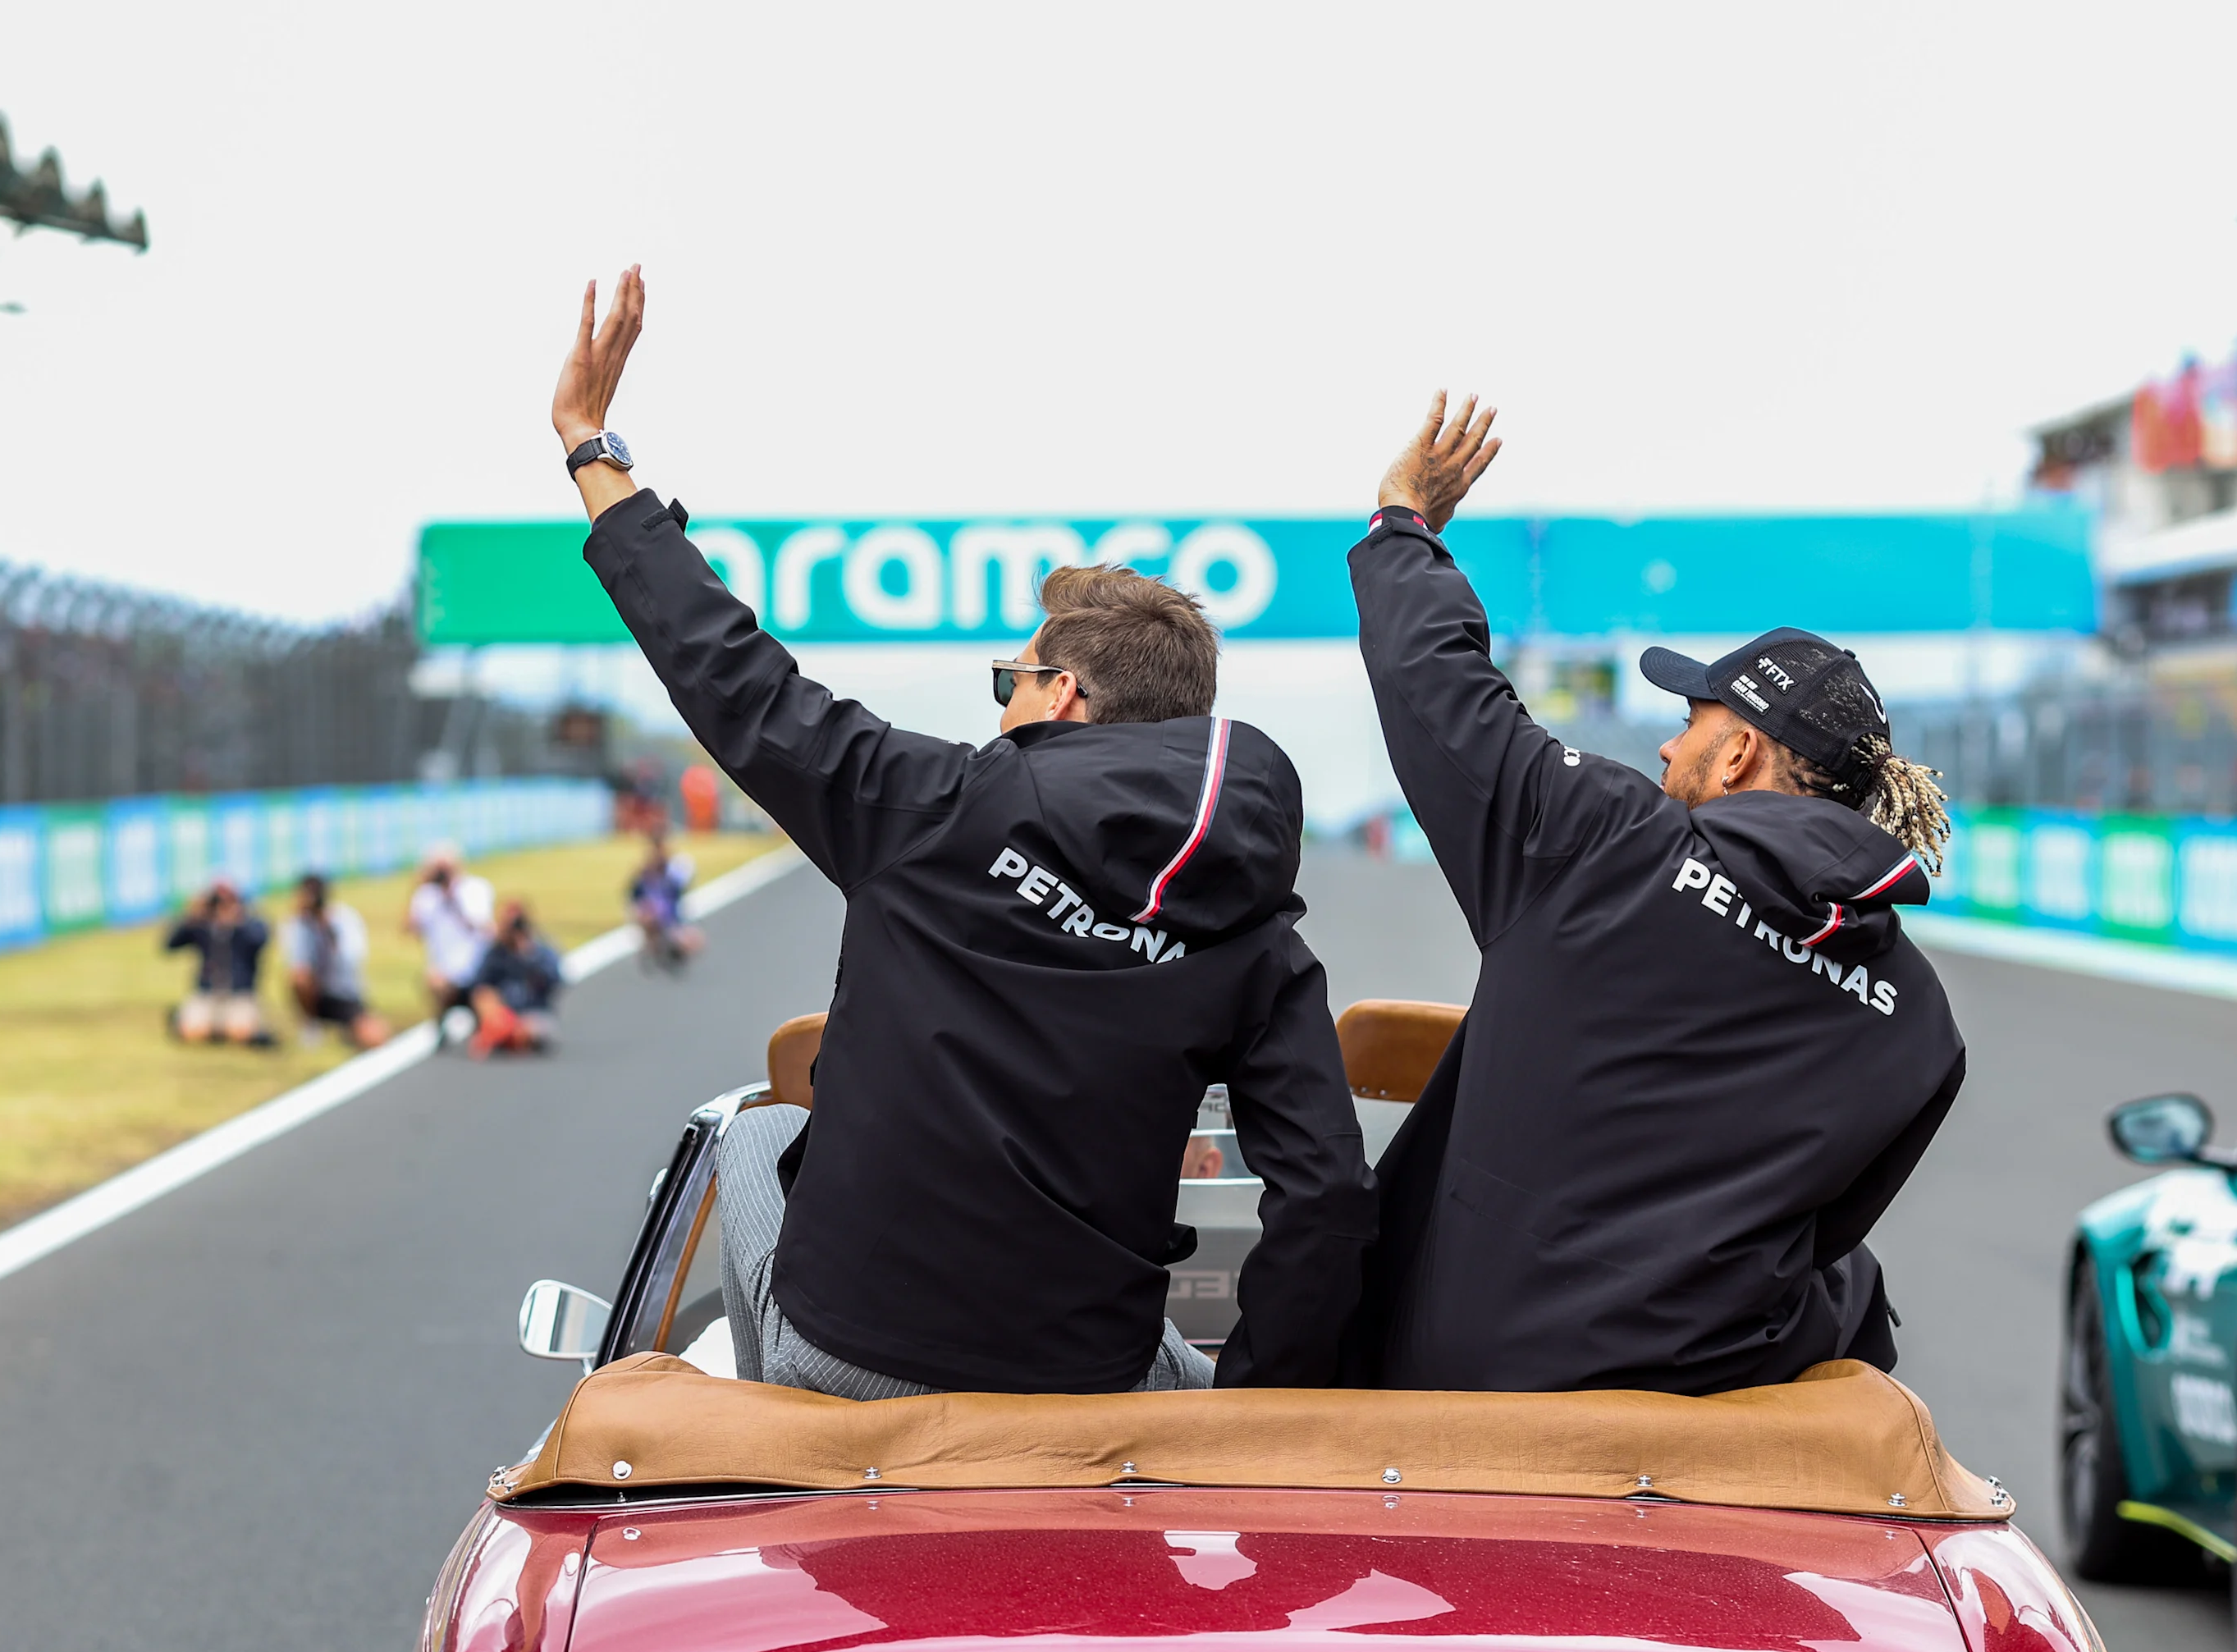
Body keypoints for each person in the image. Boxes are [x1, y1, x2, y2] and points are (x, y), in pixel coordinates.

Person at [552, 265, 1373, 1396]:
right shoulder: (1255, 925)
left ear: (1068, 695)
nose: (1000, 705)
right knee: (1180, 1373)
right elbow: (1326, 1195)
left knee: (748, 1139)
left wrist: (595, 452)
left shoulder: (929, 801)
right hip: (1085, 1382)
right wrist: (1253, 1413)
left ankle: (791, 1446)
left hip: (856, 1361)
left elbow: (729, 672)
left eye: (1013, 677)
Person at [1344, 392, 1965, 1396]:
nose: (1669, 742)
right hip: (1700, 1400)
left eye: (1692, 720)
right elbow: (1820, 1231)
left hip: (1470, 1381)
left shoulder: (1607, 840)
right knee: (1852, 1288)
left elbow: (1437, 689)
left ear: (1738, 755)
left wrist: (1399, 527)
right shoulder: (1921, 1019)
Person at [282, 872, 390, 1050]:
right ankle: (311, 1023)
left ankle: (353, 1027)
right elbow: (297, 964)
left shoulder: (344, 919)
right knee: (300, 978)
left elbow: (352, 960)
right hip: (316, 994)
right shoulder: (297, 925)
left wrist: (329, 931)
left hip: (346, 993)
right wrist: (308, 925)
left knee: (375, 1038)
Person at [163, 880, 275, 1048]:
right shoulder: (202, 925)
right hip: (207, 994)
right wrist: (191, 915)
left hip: (239, 995)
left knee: (241, 1032)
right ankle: (191, 1019)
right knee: (194, 1031)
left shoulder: (250, 924)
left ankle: (225, 1026)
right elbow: (170, 945)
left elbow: (261, 938)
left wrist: (238, 920)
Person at [405, 844, 495, 1032]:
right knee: (433, 980)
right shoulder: (426, 895)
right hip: (445, 974)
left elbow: (482, 926)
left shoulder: (475, 888)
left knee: (490, 1024)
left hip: (478, 971)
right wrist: (419, 885)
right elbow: (410, 928)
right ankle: (443, 1017)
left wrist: (452, 896)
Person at [463, 899, 564, 1057]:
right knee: (485, 998)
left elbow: (556, 981)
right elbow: (478, 984)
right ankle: (501, 1034)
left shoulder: (541, 950)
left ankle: (504, 1037)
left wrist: (529, 956)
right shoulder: (495, 953)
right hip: (504, 1013)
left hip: (533, 1012)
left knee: (533, 1031)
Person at [628, 828, 702, 971]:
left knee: (696, 941)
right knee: (649, 917)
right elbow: (634, 897)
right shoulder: (644, 875)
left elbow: (681, 890)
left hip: (673, 919)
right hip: (654, 918)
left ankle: (673, 952)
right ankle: (653, 947)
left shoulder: (674, 870)